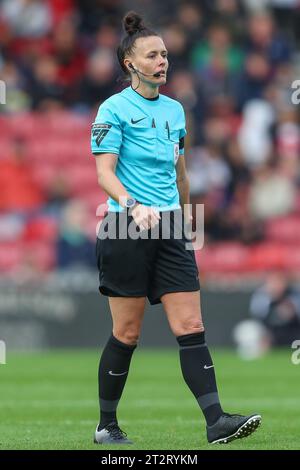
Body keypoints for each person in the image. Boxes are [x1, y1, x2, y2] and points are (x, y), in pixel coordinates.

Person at [90, 11, 261, 446]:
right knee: (127, 333)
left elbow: (180, 172)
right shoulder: (112, 109)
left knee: (191, 324)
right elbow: (104, 174)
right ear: (131, 63)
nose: (162, 60)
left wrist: (185, 217)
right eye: (152, 54)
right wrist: (132, 206)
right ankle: (106, 426)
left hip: (169, 229)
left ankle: (216, 421)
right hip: (125, 228)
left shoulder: (175, 110)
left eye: (164, 53)